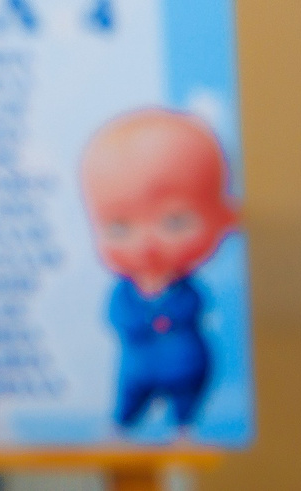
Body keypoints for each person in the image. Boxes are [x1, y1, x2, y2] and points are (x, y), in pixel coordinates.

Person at [79, 108, 239, 432]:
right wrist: (148, 322)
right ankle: (121, 427)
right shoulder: (125, 293)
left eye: (174, 221)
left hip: (185, 364)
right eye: (120, 226)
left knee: (186, 403)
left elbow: (193, 307)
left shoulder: (186, 289)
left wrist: (169, 320)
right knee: (129, 400)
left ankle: (184, 427)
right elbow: (119, 316)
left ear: (225, 218)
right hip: (139, 366)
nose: (147, 245)